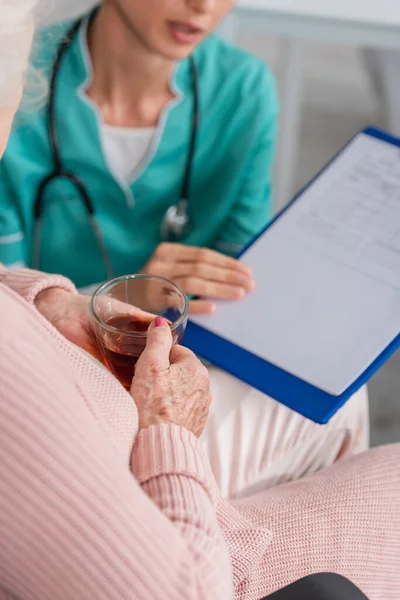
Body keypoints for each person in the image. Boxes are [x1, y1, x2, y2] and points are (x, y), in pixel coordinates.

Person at [0, 0, 278, 310]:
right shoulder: (13, 72)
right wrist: (122, 299)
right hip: (35, 350)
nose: (204, 5)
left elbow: (241, 284)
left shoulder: (243, 90)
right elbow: (6, 307)